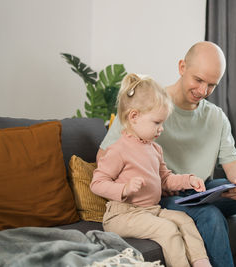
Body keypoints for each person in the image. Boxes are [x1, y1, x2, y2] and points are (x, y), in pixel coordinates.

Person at [98, 42, 236, 267]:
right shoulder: (147, 105)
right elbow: (104, 158)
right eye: (198, 80)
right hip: (164, 195)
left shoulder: (216, 117)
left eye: (212, 85)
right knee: (209, 215)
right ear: (182, 66)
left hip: (200, 189)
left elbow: (233, 164)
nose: (203, 91)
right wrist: (139, 182)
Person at [90, 73, 212, 267]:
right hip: (122, 215)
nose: (161, 129)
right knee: (167, 229)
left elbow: (165, 180)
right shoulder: (118, 150)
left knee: (185, 220)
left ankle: (201, 262)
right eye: (157, 123)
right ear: (134, 117)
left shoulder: (155, 149)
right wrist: (124, 189)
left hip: (150, 210)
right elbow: (96, 183)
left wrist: (188, 180)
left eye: (162, 123)